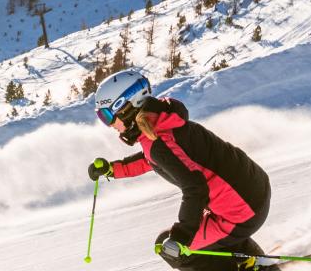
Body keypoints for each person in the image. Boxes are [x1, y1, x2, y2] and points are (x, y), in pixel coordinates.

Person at [86, 69, 276, 270]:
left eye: (106, 116)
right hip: (253, 193)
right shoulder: (162, 121)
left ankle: (243, 265)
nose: (109, 125)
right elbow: (154, 160)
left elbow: (195, 187)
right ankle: (252, 262)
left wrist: (182, 236)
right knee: (197, 234)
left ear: (125, 106)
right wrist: (113, 170)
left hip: (241, 211)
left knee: (170, 248)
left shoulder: (158, 142)